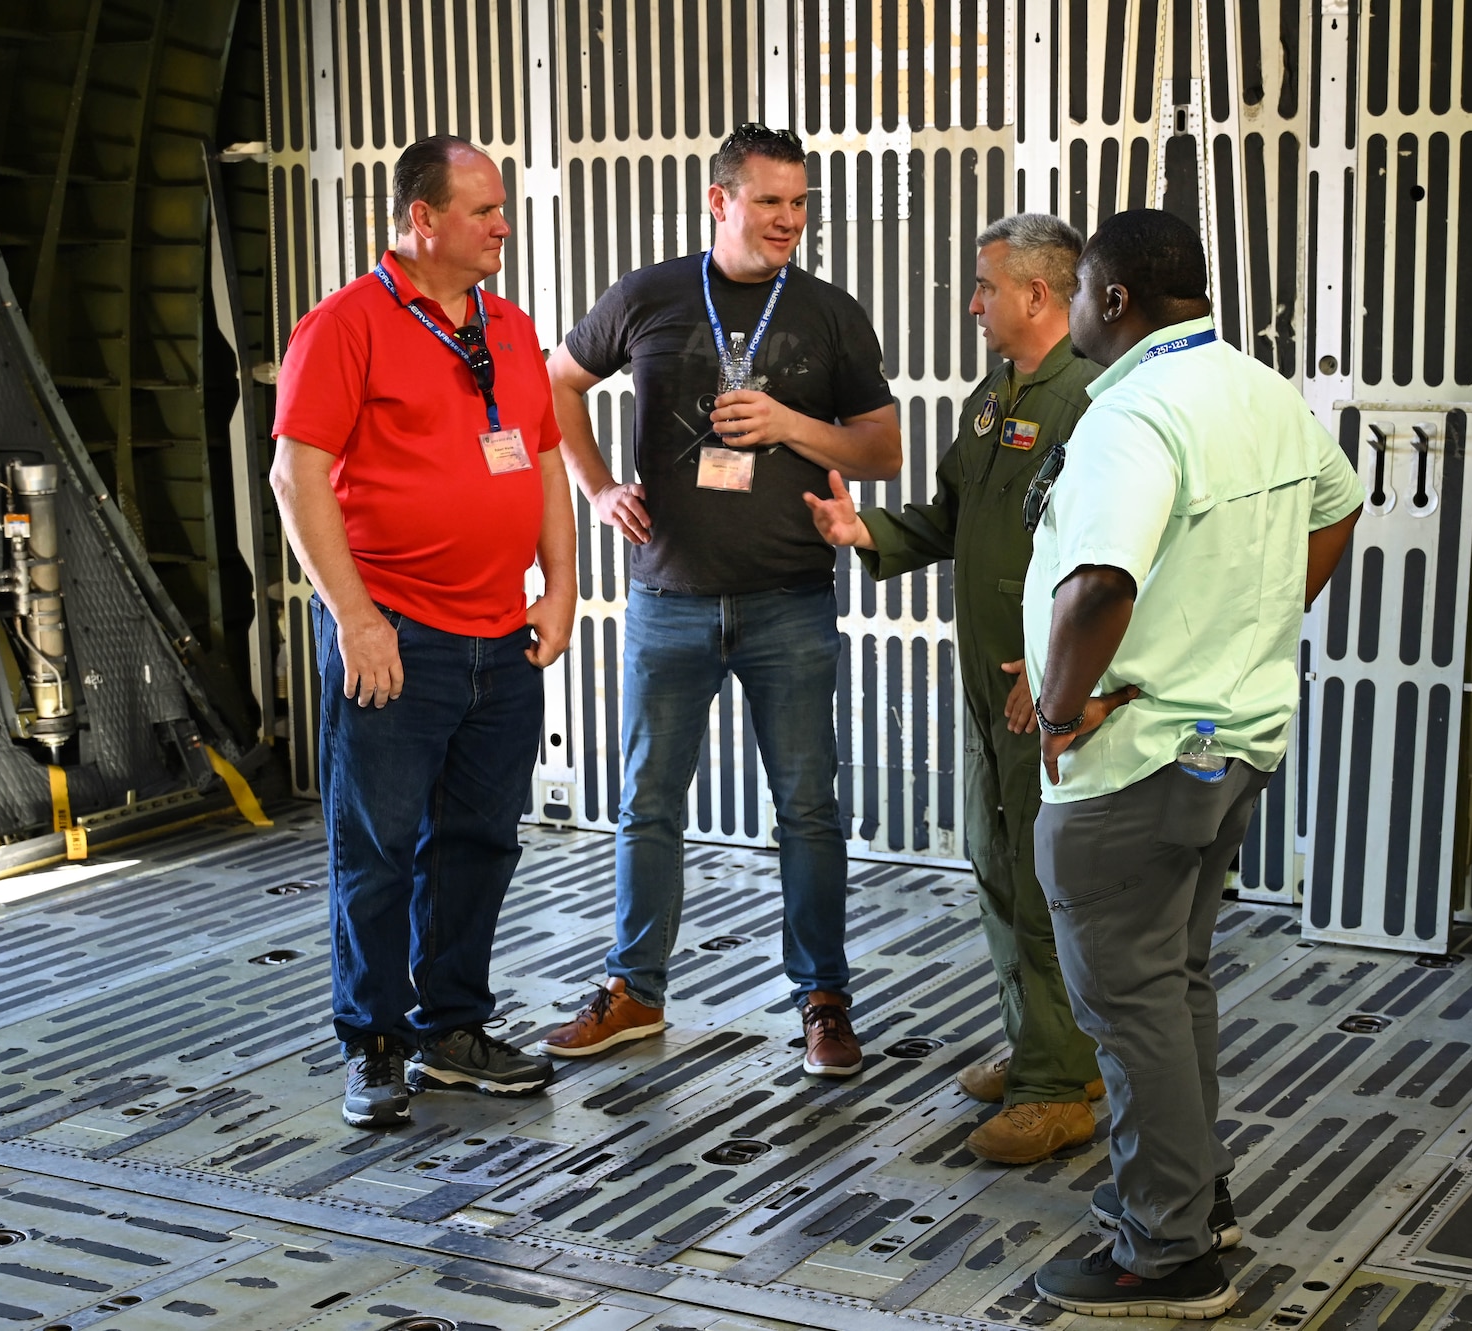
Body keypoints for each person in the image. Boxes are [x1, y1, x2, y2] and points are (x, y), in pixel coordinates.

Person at [1020, 209, 1363, 1318]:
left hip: (1136, 758)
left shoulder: (1133, 411)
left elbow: (1098, 584)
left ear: (1112, 299)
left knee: (1127, 1003)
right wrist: (1248, 629)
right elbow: (1337, 505)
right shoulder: (1259, 390)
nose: (1067, 310)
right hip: (1228, 746)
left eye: (1075, 290)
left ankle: (1165, 1250)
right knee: (1174, 986)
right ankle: (1193, 1199)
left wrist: (1061, 710)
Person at [536, 125, 901, 1076]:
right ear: (720, 200)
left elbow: (883, 450)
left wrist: (787, 423)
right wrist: (598, 485)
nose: (789, 220)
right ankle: (634, 992)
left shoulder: (828, 312)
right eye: (772, 201)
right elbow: (558, 381)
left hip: (790, 599)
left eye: (801, 202)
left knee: (808, 809)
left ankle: (823, 998)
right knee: (648, 803)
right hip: (670, 599)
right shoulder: (650, 294)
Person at [269, 135, 575, 1129]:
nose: (502, 225)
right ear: (422, 220)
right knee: (378, 845)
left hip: (502, 639)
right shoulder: (345, 326)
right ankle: (374, 1040)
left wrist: (561, 584)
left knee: (479, 841)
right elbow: (296, 476)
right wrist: (355, 617)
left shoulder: (508, 326)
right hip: (395, 635)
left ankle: (451, 1026)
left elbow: (540, 461)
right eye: (483, 210)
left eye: (502, 210)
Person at [805, 214, 1104, 1164]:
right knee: (993, 859)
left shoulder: (1090, 400)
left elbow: (1108, 557)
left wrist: (1060, 675)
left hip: (1035, 682)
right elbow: (951, 515)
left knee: (1040, 875)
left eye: (984, 287)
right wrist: (868, 536)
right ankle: (1044, 1049)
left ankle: (1062, 1086)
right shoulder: (995, 396)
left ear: (1037, 295)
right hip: (984, 678)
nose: (972, 304)